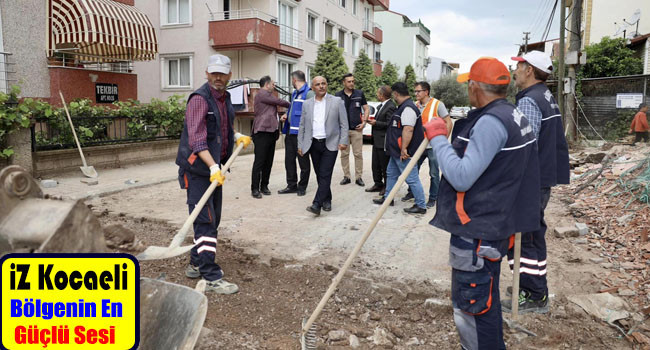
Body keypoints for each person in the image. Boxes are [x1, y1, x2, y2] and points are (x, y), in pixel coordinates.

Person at [424, 57, 540, 349]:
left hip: (477, 231)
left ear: (475, 87)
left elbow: (462, 177)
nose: (468, 90)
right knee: (484, 304)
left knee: (472, 308)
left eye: (468, 85)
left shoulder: (490, 123)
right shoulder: (511, 114)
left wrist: (438, 139)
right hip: (494, 224)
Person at [175, 54, 252, 294]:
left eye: (222, 73)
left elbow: (221, 127)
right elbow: (197, 139)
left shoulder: (224, 97)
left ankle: (196, 262)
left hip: (214, 170)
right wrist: (212, 166)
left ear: (229, 75)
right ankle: (210, 275)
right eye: (214, 73)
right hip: (199, 170)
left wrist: (236, 135)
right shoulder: (200, 99)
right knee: (205, 220)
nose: (218, 77)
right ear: (206, 73)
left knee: (211, 217)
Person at [503, 51, 570, 314]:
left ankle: (534, 295)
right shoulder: (545, 96)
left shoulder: (529, 101)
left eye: (518, 66)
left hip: (530, 181)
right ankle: (528, 284)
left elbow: (523, 146)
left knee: (527, 235)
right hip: (542, 177)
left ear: (529, 69)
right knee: (530, 233)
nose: (515, 70)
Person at [372, 82, 427, 214]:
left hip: (404, 153)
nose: (394, 97)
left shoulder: (407, 108)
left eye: (394, 95)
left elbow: (408, 129)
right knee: (391, 174)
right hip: (396, 152)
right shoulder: (403, 107)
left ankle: (421, 205)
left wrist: (404, 149)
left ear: (396, 94)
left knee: (411, 178)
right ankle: (388, 198)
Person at [298, 76, 349, 216]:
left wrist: (343, 140)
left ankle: (317, 204)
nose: (321, 86)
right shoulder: (307, 104)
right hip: (313, 143)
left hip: (330, 143)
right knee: (320, 174)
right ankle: (327, 199)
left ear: (327, 85)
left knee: (325, 173)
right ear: (313, 88)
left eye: (323, 83)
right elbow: (302, 125)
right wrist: (300, 144)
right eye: (317, 84)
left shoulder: (337, 101)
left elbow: (344, 123)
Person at [402, 81, 452, 208]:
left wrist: (443, 141)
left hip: (432, 146)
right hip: (418, 146)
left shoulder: (437, 104)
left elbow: (448, 122)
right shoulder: (415, 105)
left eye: (418, 91)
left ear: (426, 92)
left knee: (434, 173)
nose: (416, 93)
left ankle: (433, 197)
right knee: (413, 171)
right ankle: (411, 192)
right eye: (415, 91)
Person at [251, 75, 291, 198]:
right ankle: (255, 189)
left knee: (268, 161)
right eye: (273, 84)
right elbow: (279, 102)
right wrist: (293, 103)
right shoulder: (262, 94)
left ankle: (264, 186)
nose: (274, 86)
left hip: (271, 132)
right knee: (260, 162)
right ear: (267, 85)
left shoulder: (267, 96)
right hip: (262, 132)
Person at [279, 70, 315, 196]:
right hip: (290, 132)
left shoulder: (309, 93)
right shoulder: (294, 93)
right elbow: (292, 109)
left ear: (294, 80)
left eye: (291, 81)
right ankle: (291, 185)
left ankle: (302, 186)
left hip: (302, 135)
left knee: (303, 162)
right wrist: (286, 115)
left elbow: (312, 114)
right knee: (289, 160)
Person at [336, 73, 369, 186]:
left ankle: (358, 177)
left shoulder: (359, 94)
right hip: (343, 131)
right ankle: (347, 176)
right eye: (349, 81)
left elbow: (366, 108)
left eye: (353, 81)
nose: (351, 83)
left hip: (357, 130)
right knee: (344, 154)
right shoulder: (338, 95)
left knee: (358, 154)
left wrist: (364, 122)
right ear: (344, 83)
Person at [365, 85, 396, 195]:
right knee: (375, 165)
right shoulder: (382, 105)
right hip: (376, 140)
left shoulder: (390, 106)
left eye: (378, 93)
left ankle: (387, 187)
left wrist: (376, 123)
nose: (377, 95)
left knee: (384, 166)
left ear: (382, 95)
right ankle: (378, 183)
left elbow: (390, 124)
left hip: (383, 141)